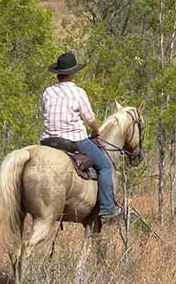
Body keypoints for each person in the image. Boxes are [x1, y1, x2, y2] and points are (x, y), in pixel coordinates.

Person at [41, 52, 120, 220]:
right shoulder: (78, 92)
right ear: (72, 73)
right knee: (105, 166)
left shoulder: (47, 92)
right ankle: (107, 208)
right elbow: (89, 118)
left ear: (58, 73)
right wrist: (96, 130)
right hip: (73, 140)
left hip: (48, 141)